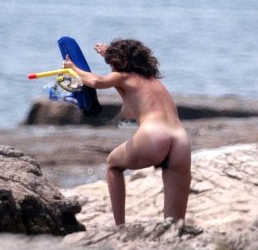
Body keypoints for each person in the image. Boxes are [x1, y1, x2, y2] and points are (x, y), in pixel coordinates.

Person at [63, 39, 191, 225]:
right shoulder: (153, 82)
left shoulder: (123, 77)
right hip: (180, 140)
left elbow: (95, 81)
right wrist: (108, 54)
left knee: (113, 164)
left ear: (121, 63)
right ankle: (175, 235)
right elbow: (122, 75)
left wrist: (73, 68)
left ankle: (120, 227)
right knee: (175, 222)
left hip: (154, 134)